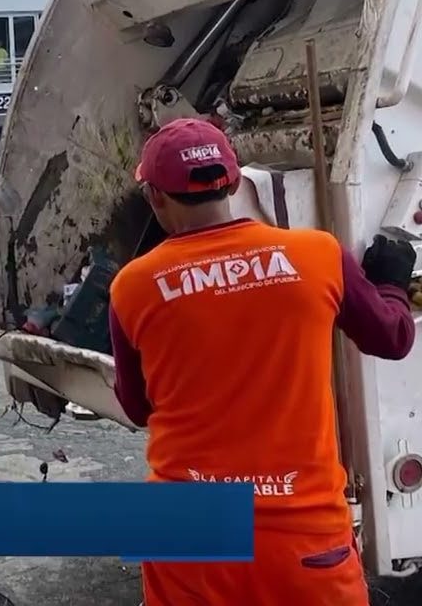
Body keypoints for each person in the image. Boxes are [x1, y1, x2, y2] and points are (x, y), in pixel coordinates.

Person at [108, 117, 416, 606]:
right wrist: (391, 282)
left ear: (154, 197)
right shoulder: (318, 255)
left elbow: (137, 408)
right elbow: (394, 337)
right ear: (234, 182)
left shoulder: (132, 287)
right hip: (304, 542)